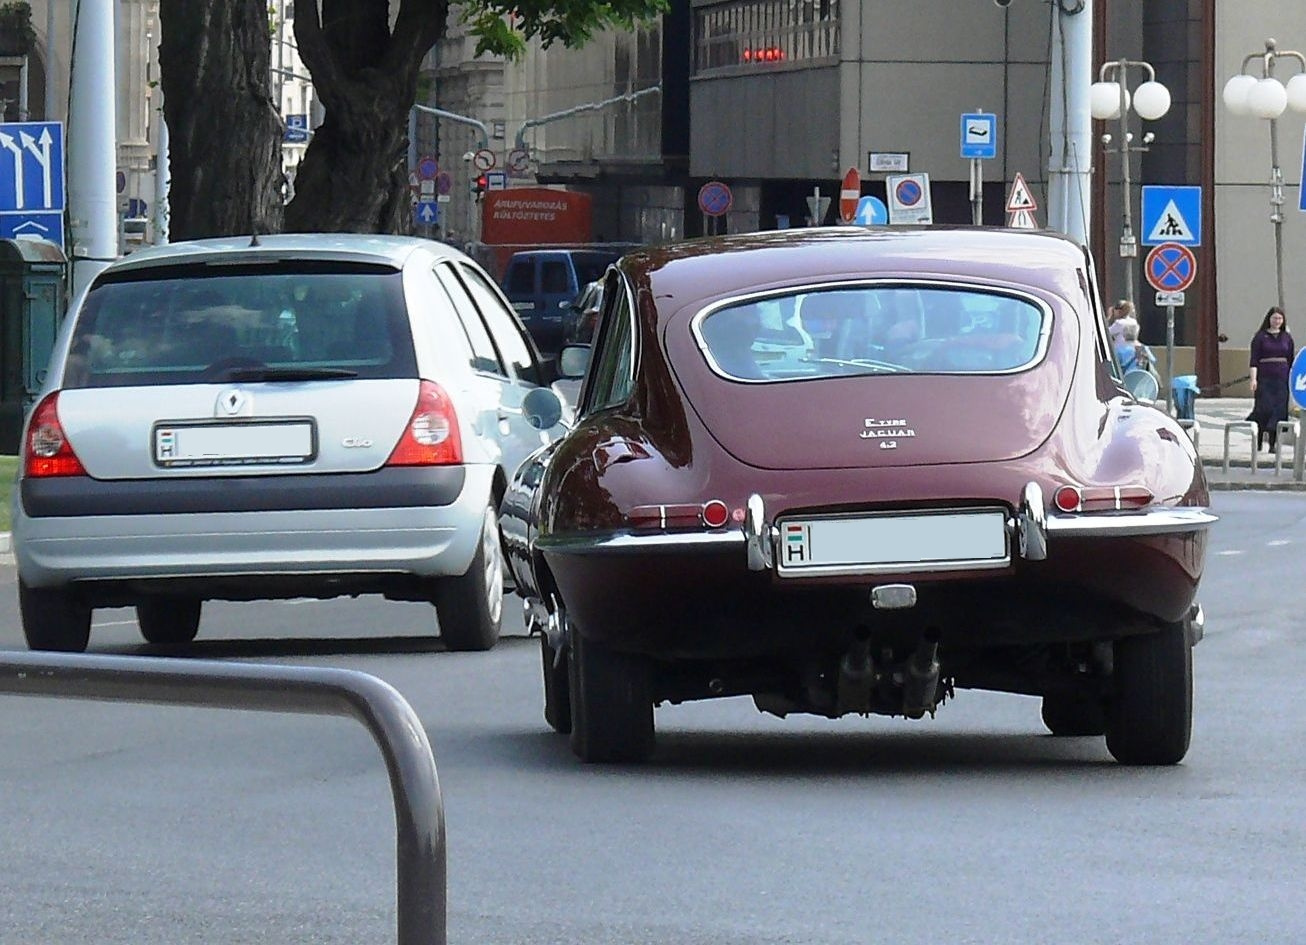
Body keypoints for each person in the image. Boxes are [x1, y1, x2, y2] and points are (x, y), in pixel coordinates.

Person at [1247, 305, 1295, 451]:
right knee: (1264, 409)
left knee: (1278, 410)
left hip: (1282, 378)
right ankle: (1260, 440)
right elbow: (1254, 360)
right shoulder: (1260, 337)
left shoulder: (1286, 337)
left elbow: (1291, 359)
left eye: (1280, 318)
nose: (1277, 321)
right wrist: (1253, 379)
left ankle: (1273, 444)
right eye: (1275, 318)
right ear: (1269, 319)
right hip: (1265, 378)